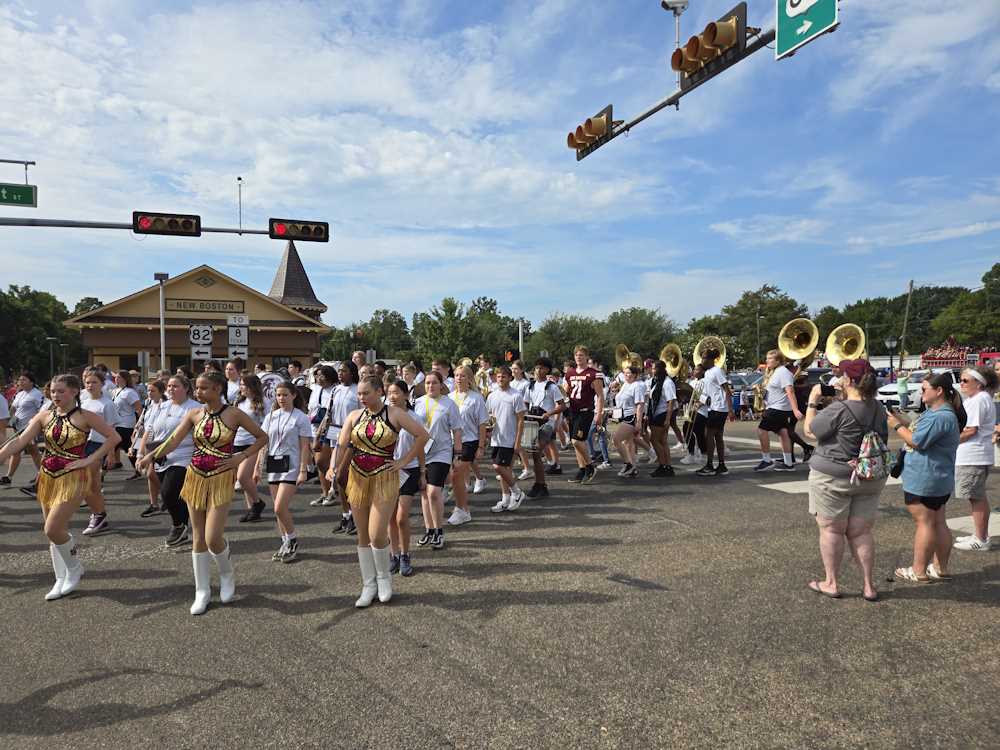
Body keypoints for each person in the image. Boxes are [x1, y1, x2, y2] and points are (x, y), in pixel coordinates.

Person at [138, 371, 267, 615]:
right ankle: (202, 591)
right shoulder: (194, 414)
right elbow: (173, 440)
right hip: (195, 476)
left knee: (213, 537)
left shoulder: (234, 414)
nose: (198, 392)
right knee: (198, 537)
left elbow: (262, 437)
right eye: (196, 388)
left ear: (218, 389)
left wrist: (241, 456)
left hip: (221, 478)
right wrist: (151, 456)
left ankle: (227, 574)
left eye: (203, 388)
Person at [0, 374, 120, 600]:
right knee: (53, 533)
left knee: (52, 529)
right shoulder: (44, 416)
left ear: (74, 392)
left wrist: (90, 459)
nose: (55, 395)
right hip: (47, 477)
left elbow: (113, 437)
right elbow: (20, 441)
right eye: (53, 391)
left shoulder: (86, 416)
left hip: (73, 476)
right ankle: (60, 577)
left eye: (61, 391)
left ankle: (74, 568)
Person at [333, 376, 428, 607]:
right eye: (359, 394)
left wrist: (404, 460)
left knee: (377, 534)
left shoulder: (395, 414)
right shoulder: (354, 416)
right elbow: (341, 444)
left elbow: (423, 435)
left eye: (366, 393)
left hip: (384, 478)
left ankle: (384, 578)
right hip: (357, 478)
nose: (362, 397)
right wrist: (332, 467)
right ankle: (369, 584)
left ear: (379, 392)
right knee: (363, 536)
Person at [802, 359, 888, 601]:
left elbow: (810, 430)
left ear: (849, 380)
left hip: (833, 477)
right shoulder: (878, 408)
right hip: (868, 476)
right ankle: (868, 585)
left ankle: (831, 583)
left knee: (832, 529)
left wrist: (813, 399)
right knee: (861, 532)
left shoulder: (839, 409)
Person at [888, 372, 965, 582]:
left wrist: (896, 426)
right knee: (938, 522)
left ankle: (918, 570)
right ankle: (940, 568)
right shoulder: (940, 413)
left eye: (924, 389)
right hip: (937, 477)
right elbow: (918, 430)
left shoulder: (940, 416)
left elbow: (916, 441)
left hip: (926, 478)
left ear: (938, 391)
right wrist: (900, 418)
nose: (920, 393)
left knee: (925, 523)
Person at [255, 381, 313, 562]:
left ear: (293, 395)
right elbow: (263, 444)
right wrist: (257, 468)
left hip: (292, 465)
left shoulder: (301, 417)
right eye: (278, 395)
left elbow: (305, 446)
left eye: (285, 395)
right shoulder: (271, 416)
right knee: (278, 510)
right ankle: (285, 542)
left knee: (280, 507)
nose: (281, 398)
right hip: (274, 465)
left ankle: (292, 539)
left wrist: (303, 470)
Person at [140, 374, 201, 547]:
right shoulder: (162, 406)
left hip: (184, 455)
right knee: (173, 495)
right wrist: (141, 453)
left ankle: (178, 526)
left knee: (168, 492)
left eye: (175, 386)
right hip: (160, 455)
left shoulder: (195, 408)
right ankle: (182, 526)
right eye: (169, 386)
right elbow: (150, 430)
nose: (171, 389)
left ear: (186, 388)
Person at [951, 366, 998, 552]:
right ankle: (979, 534)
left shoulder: (979, 400)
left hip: (973, 455)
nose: (961, 383)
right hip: (974, 455)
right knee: (976, 497)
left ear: (979, 383)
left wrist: (949, 441)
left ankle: (981, 538)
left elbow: (971, 430)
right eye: (960, 380)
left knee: (976, 497)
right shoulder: (978, 399)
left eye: (965, 380)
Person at [413, 371, 462, 549]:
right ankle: (429, 530)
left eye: (434, 382)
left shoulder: (449, 404)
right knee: (424, 492)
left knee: (434, 492)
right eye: (427, 383)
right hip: (421, 452)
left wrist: (457, 454)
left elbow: (457, 430)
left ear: (441, 385)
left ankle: (439, 531)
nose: (430, 386)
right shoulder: (418, 402)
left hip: (441, 452)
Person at [386, 380, 426, 576]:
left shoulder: (414, 417)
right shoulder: (384, 416)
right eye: (389, 392)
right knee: (390, 517)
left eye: (396, 392)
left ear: (405, 395)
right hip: (387, 471)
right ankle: (393, 554)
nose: (392, 396)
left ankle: (405, 554)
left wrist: (423, 472)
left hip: (409, 471)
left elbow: (421, 447)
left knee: (402, 518)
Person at [448, 365, 488, 525]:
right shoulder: (449, 397)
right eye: (457, 375)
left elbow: (482, 424)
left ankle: (462, 509)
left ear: (469, 379)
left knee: (456, 474)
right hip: (451, 442)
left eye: (463, 375)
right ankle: (462, 508)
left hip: (469, 441)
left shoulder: (476, 398)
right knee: (455, 477)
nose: (459, 378)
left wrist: (481, 447)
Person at [79, 370, 117, 535]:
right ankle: (99, 515)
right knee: (93, 483)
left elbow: (112, 430)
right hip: (83, 444)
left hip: (99, 445)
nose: (90, 385)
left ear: (102, 384)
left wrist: (111, 453)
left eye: (94, 382)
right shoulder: (83, 402)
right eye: (87, 382)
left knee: (87, 480)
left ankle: (97, 515)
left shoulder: (107, 404)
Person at [522, 357, 566, 498]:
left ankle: (541, 485)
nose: (538, 370)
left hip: (546, 423)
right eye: (536, 368)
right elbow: (525, 403)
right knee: (534, 454)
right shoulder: (530, 386)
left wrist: (549, 413)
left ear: (547, 370)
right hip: (533, 421)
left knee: (536, 451)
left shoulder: (552, 387)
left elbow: (562, 405)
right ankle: (539, 484)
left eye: (541, 368)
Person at [753, 350, 802, 473]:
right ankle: (788, 463)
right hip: (777, 407)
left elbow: (790, 391)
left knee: (761, 430)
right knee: (782, 432)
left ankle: (766, 460)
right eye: (767, 358)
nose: (767, 361)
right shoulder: (775, 372)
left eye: (770, 359)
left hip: (778, 408)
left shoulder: (783, 372)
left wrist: (796, 410)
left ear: (778, 361)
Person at [487, 366, 527, 512]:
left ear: (510, 378)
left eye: (503, 376)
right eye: (498, 376)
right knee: (504, 470)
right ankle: (505, 499)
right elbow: (489, 416)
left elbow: (521, 420)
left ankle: (517, 492)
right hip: (496, 438)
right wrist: (488, 429)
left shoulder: (515, 395)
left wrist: (518, 441)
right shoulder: (492, 396)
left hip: (509, 438)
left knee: (499, 467)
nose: (500, 379)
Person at [327, 361, 360, 532]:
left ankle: (355, 514)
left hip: (352, 438)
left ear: (352, 373)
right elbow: (329, 413)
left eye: (344, 371)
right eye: (339, 371)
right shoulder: (336, 390)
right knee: (337, 478)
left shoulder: (357, 391)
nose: (340, 373)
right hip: (336, 435)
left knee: (344, 476)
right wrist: (321, 435)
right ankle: (345, 515)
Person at [565, 346, 605, 484]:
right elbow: (567, 391)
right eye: (576, 354)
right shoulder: (570, 373)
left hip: (585, 411)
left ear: (587, 357)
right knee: (576, 442)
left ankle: (590, 466)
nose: (578, 357)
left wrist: (599, 414)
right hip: (573, 411)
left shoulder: (593, 374)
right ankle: (582, 469)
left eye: (581, 355)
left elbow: (600, 396)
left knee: (577, 440)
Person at [234, 374, 268, 523]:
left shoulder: (262, 403)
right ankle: (252, 509)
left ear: (252, 386)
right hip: (237, 442)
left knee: (242, 477)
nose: (241, 387)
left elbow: (266, 425)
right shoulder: (239, 401)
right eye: (241, 384)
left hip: (253, 443)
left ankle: (258, 503)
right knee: (245, 479)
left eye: (244, 385)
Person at [2, 372, 44, 486]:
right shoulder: (19, 393)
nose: (20, 382)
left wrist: (35, 423)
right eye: (20, 380)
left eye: (24, 380)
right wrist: (9, 419)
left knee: (32, 451)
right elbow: (13, 408)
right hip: (18, 427)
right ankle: (8, 477)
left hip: (30, 428)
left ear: (31, 382)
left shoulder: (37, 394)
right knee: (18, 451)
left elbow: (42, 410)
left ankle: (43, 476)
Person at [696, 350, 732, 477]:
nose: (702, 361)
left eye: (704, 358)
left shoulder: (717, 371)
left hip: (719, 408)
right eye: (702, 358)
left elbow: (727, 390)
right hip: (713, 408)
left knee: (709, 434)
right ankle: (721, 465)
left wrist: (730, 410)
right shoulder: (707, 373)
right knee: (718, 436)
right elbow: (708, 394)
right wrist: (699, 401)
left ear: (711, 359)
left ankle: (710, 465)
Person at [135, 379, 168, 518]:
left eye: (153, 390)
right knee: (150, 475)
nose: (149, 393)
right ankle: (154, 504)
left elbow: (154, 427)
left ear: (161, 392)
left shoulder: (164, 405)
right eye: (148, 390)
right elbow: (144, 423)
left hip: (159, 443)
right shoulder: (149, 403)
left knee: (151, 474)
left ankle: (170, 497)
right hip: (148, 441)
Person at [307, 365, 338, 508]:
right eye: (317, 375)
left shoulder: (336, 389)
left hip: (330, 428)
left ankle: (333, 490)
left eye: (322, 375)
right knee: (319, 463)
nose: (319, 378)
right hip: (315, 427)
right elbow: (311, 408)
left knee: (324, 461)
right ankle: (325, 492)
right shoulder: (316, 389)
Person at [612, 366, 647, 478]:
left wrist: (639, 422)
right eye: (625, 373)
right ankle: (633, 468)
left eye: (629, 373)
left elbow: (640, 404)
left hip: (631, 416)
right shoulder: (626, 384)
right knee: (628, 443)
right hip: (623, 415)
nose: (626, 375)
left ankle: (628, 464)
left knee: (616, 439)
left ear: (635, 375)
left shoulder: (637, 386)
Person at [646, 360, 677, 478]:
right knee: (663, 441)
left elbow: (671, 401)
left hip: (662, 414)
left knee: (654, 440)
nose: (652, 370)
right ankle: (667, 467)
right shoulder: (656, 381)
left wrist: (668, 419)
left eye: (654, 368)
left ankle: (663, 465)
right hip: (657, 413)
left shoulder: (667, 382)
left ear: (660, 369)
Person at [110, 370, 142, 472]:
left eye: (118, 377)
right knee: (128, 448)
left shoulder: (130, 392)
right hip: (117, 424)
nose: (116, 379)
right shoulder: (115, 391)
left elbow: (138, 408)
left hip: (126, 424)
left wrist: (140, 423)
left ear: (125, 379)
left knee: (111, 447)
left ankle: (102, 471)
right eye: (115, 377)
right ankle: (139, 469)